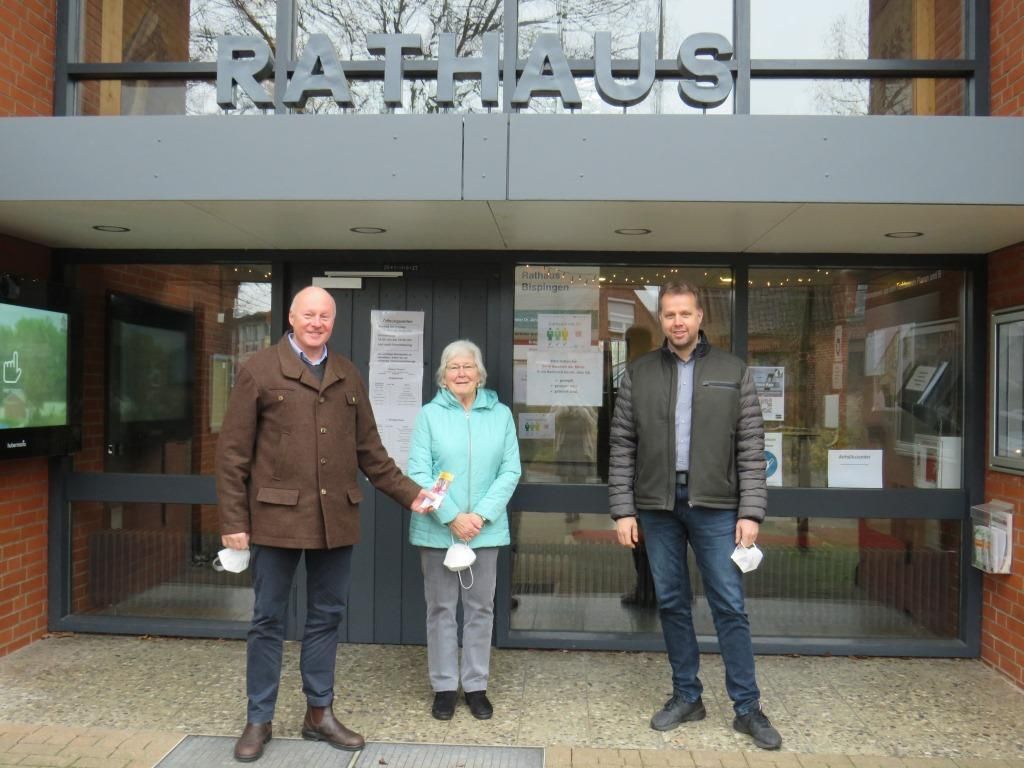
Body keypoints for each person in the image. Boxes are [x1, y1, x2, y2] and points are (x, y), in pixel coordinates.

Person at [216, 286, 435, 762]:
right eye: (308, 314)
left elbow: (372, 453)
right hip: (274, 518)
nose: (317, 322)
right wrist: (234, 520)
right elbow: (232, 455)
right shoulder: (258, 371)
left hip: (335, 518)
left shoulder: (347, 374)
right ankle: (259, 718)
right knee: (268, 620)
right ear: (292, 317)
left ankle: (319, 713)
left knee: (326, 618)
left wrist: (412, 494)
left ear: (332, 323)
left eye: (325, 316)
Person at [608, 281, 782, 750]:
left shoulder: (733, 370)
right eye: (669, 315)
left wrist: (751, 513)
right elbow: (622, 445)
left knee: (729, 604)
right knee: (671, 602)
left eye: (685, 313)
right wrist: (624, 509)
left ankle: (747, 707)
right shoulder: (639, 374)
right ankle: (687, 695)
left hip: (718, 507)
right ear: (660, 320)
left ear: (701, 317)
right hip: (657, 506)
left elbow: (750, 447)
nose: (677, 322)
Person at [407, 339, 521, 722]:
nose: (460, 373)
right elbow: (419, 473)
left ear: (479, 373)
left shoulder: (500, 414)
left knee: (480, 609)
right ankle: (443, 686)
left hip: (484, 531)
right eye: (453, 367)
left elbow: (511, 470)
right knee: (440, 609)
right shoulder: (429, 415)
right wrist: (453, 516)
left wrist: (481, 516)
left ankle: (475, 686)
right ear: (443, 374)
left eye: (467, 366)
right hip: (438, 529)